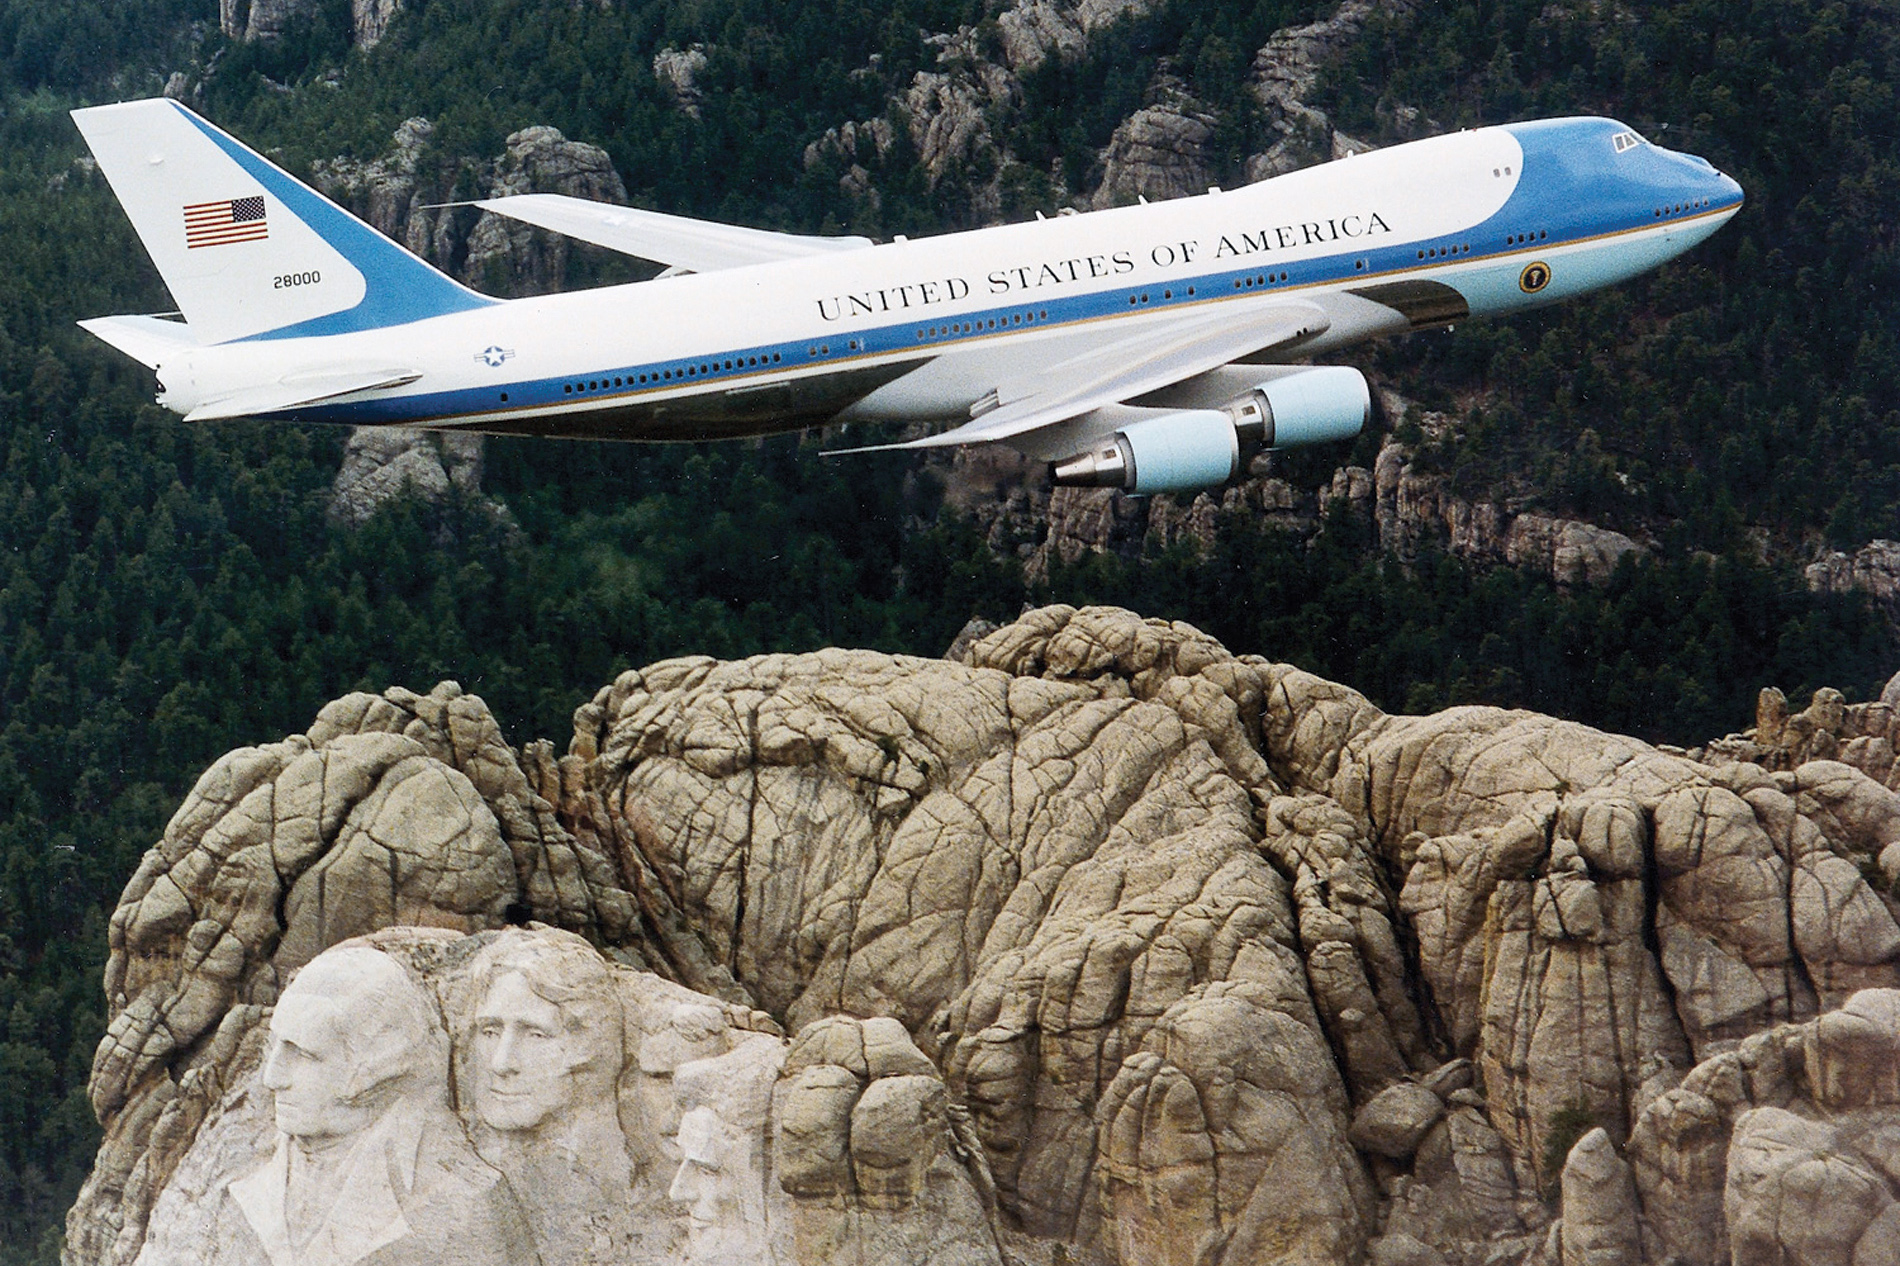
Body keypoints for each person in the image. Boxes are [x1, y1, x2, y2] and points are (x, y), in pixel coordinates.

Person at [220, 943, 534, 1266]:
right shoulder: (246, 1187)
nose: (272, 1078)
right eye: (276, 1045)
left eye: (303, 1054)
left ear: (374, 1066)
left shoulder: (464, 1204)